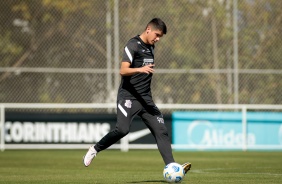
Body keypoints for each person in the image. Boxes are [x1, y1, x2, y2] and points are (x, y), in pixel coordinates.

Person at [83, 18, 191, 173]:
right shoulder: (132, 45)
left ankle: (172, 167)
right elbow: (123, 70)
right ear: (148, 29)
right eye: (157, 34)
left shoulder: (152, 46)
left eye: (160, 36)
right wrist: (140, 69)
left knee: (161, 130)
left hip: (146, 99)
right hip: (128, 96)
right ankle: (95, 149)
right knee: (122, 130)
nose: (158, 39)